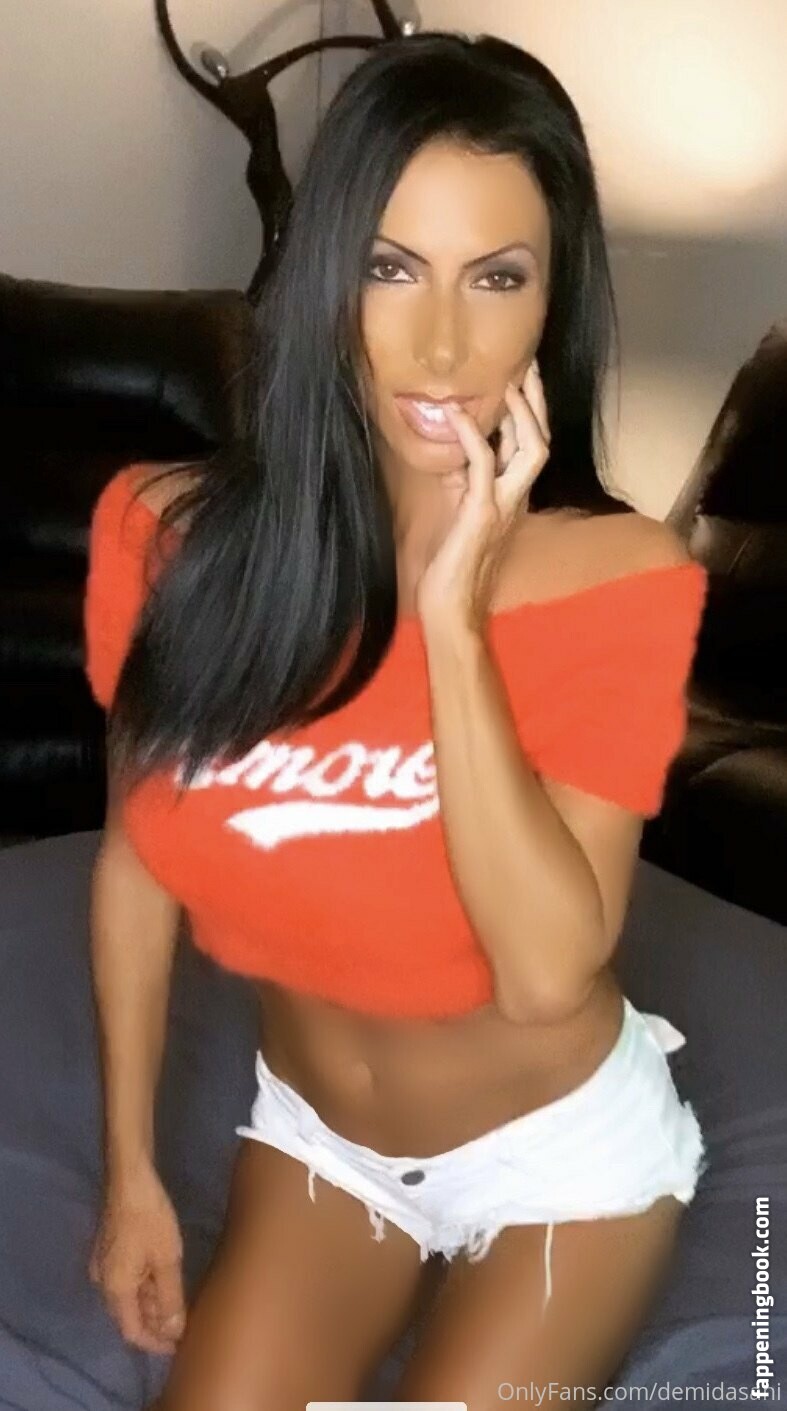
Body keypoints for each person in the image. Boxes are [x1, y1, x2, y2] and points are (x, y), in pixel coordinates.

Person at [84, 29, 711, 1410]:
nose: (441, 345)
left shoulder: (621, 577)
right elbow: (135, 862)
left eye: (498, 276)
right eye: (390, 267)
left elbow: (546, 974)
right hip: (319, 1144)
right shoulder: (165, 538)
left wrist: (452, 623)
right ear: (326, 280)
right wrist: (131, 1176)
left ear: (553, 301)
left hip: (559, 1157)